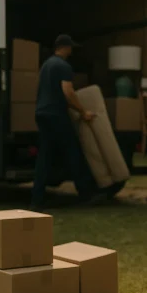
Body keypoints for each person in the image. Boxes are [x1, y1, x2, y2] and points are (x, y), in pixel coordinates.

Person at [31, 34, 98, 212]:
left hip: (42, 113)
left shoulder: (46, 65)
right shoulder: (63, 66)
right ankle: (86, 194)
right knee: (73, 151)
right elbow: (68, 92)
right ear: (64, 47)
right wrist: (84, 112)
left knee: (44, 157)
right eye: (70, 48)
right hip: (55, 114)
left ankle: (37, 199)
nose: (71, 51)